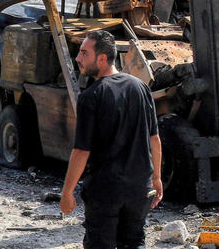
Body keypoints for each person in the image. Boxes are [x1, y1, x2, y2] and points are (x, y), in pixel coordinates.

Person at [60, 30, 163, 249]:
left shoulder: (91, 96)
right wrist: (156, 178)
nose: (78, 58)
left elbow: (81, 151)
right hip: (139, 188)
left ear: (102, 58)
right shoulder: (141, 87)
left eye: (84, 53)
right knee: (134, 243)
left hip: (106, 190)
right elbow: (154, 139)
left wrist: (67, 192)